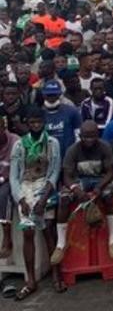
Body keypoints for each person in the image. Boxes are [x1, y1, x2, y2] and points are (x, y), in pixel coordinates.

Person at [9, 108, 62, 299]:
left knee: (48, 230)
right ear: (27, 123)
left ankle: (57, 275)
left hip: (45, 187)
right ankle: (30, 280)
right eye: (32, 122)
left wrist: (44, 198)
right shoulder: (19, 145)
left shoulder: (52, 143)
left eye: (39, 121)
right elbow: (14, 177)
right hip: (25, 188)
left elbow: (54, 172)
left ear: (44, 122)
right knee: (28, 232)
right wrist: (20, 200)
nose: (36, 125)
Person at [51, 120, 113, 266]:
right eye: (86, 136)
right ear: (80, 135)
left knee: (109, 196)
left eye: (92, 136)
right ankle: (60, 243)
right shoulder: (72, 150)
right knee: (63, 198)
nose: (89, 140)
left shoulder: (104, 147)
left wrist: (99, 187)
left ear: (98, 135)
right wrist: (76, 190)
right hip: (79, 180)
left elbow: (110, 172)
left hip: (100, 179)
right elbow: (67, 176)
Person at [0, 119, 19, 259]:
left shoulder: (15, 142)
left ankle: (7, 238)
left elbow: (16, 170)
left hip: (12, 178)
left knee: (4, 194)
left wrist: (2, 179)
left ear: (4, 127)